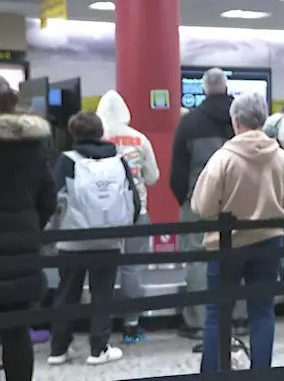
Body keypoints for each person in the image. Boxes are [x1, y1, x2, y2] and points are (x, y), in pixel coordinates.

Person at [192, 92, 284, 372]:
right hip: (270, 240)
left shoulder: (223, 158)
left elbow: (203, 206)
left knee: (218, 313)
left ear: (236, 121)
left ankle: (212, 372)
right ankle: (261, 372)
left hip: (227, 244)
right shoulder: (282, 158)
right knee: (263, 312)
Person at [48, 111, 140, 366]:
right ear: (101, 133)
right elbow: (133, 199)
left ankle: (58, 349)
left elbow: (52, 198)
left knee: (67, 293)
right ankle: (98, 349)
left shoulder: (66, 161)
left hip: (72, 240)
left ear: (74, 134)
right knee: (103, 294)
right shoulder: (118, 160)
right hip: (108, 239)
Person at [169, 67, 244, 341]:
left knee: (198, 258)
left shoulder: (189, 123)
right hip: (240, 201)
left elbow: (177, 170)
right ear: (226, 87)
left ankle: (199, 322)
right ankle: (240, 318)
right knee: (240, 254)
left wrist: (185, 199)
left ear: (203, 88)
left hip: (199, 201)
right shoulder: (242, 118)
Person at [0, 77, 56, 381]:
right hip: (21, 252)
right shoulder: (32, 145)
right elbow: (48, 196)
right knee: (16, 330)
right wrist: (31, 226)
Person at [95, 89, 160, 344]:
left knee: (103, 271)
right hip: (137, 212)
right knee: (132, 269)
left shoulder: (98, 138)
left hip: (102, 217)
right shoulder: (139, 139)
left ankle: (100, 329)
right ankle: (131, 327)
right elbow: (153, 177)